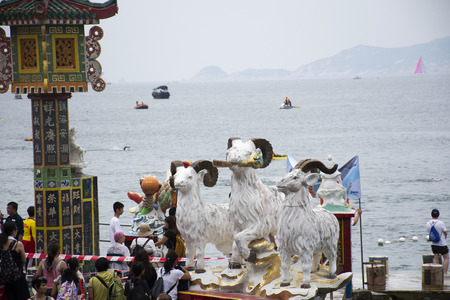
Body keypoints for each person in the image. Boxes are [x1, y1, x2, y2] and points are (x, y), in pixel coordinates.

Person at [0, 221, 30, 299]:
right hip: (17, 277)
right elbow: (24, 260)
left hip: (5, 277)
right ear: (13, 231)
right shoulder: (17, 244)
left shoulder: (1, 243)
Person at [426, 209, 448, 275]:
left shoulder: (428, 223)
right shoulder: (440, 223)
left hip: (434, 244)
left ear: (431, 215)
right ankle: (444, 273)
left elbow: (428, 231)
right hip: (442, 244)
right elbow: (445, 232)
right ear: (438, 215)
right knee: (446, 258)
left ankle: (436, 273)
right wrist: (445, 237)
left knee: (436, 256)